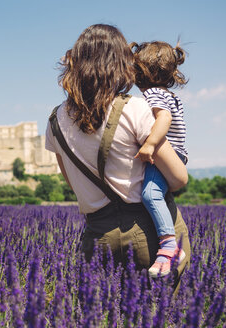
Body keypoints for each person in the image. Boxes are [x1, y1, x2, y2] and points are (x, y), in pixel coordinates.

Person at [45, 24, 190, 284]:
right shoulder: (135, 108)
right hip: (148, 236)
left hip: (97, 238)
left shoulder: (55, 120)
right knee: (160, 313)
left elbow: (73, 183)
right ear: (120, 63)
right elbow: (179, 179)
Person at [131, 41, 189, 277]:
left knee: (150, 194)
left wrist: (150, 144)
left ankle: (168, 246)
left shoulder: (153, 94)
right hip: (178, 153)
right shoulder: (168, 94)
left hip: (169, 152)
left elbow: (164, 118)